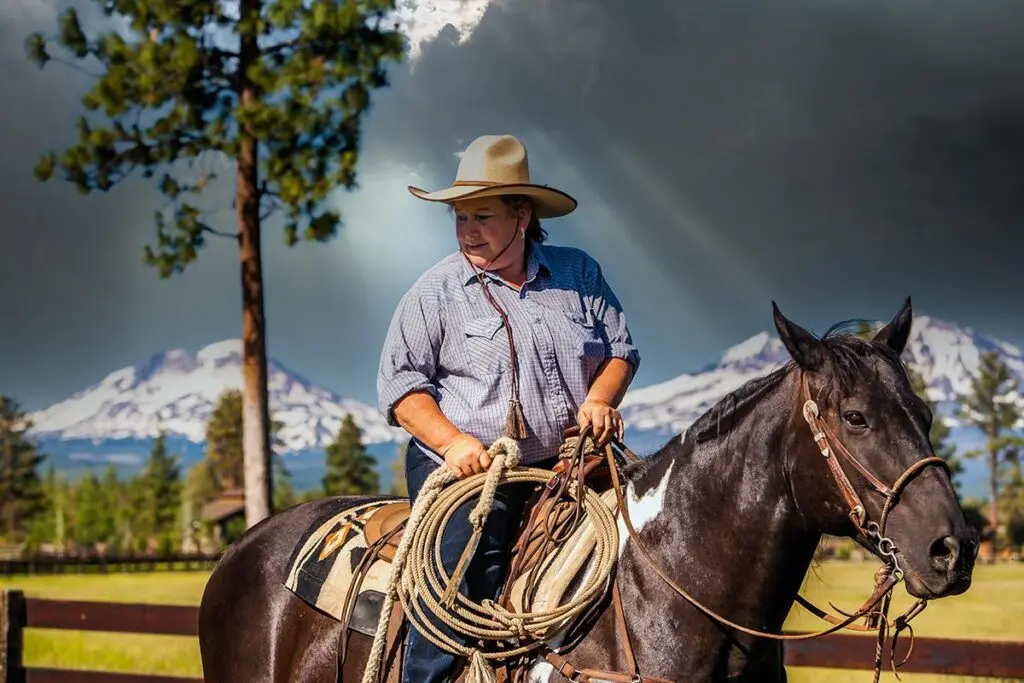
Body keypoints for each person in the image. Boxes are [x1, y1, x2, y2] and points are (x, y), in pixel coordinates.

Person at [376, 134, 640, 682]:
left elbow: (620, 351)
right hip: (468, 465)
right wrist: (453, 443)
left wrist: (599, 399)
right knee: (458, 569)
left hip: (570, 459)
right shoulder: (434, 294)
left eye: (482, 216)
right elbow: (402, 389)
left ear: (522, 216)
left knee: (652, 534)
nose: (468, 230)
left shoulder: (578, 274)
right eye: (460, 217)